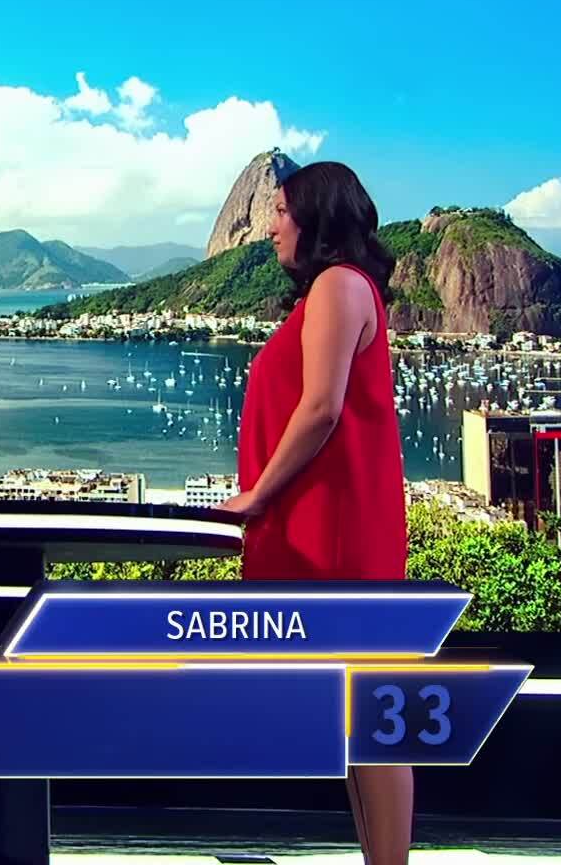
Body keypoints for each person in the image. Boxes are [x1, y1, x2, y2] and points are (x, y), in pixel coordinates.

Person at [217, 162, 410, 864]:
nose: (270, 227)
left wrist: (257, 495)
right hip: (324, 526)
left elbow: (322, 408)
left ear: (315, 216)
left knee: (372, 721)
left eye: (280, 211)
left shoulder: (338, 286)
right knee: (359, 724)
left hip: (334, 532)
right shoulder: (337, 290)